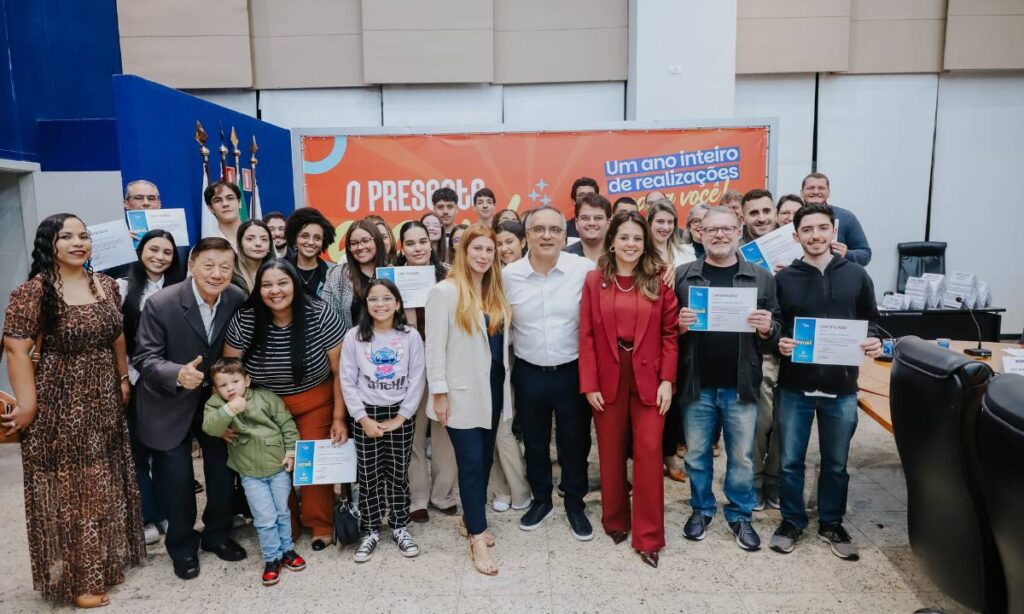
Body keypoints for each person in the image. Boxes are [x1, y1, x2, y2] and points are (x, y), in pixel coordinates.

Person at [3, 213, 145, 607]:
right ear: (50, 244)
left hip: (104, 398)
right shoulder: (33, 292)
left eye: (83, 236)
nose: (78, 242)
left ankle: (100, 565)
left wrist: (121, 378)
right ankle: (81, 581)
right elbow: (16, 349)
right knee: (74, 491)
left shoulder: (105, 285)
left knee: (101, 485)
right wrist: (28, 405)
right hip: (60, 403)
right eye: (67, 236)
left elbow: (117, 334)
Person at [133, 237, 248, 581]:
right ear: (192, 264)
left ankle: (217, 535)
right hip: (167, 402)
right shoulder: (161, 303)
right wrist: (177, 373)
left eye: (225, 267)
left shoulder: (236, 299)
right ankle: (182, 547)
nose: (217, 273)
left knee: (222, 469)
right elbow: (146, 357)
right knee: (177, 478)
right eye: (209, 265)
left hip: (213, 402)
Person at [770, 203, 882, 559]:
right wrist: (778, 341)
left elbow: (872, 322)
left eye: (822, 228)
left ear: (833, 232)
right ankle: (791, 520)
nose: (815, 236)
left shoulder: (857, 276)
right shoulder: (784, 279)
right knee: (790, 461)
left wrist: (875, 339)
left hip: (842, 388)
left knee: (836, 462)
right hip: (795, 386)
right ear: (795, 235)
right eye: (807, 230)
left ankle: (831, 522)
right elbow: (774, 327)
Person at [674, 206, 782, 553]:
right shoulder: (682, 275)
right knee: (697, 456)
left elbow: (777, 329)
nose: (719, 235)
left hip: (741, 384)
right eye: (711, 229)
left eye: (727, 229)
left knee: (742, 458)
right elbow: (664, 330)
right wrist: (677, 326)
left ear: (739, 232)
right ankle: (702, 509)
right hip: (696, 383)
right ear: (698, 234)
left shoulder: (762, 277)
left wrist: (768, 328)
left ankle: (739, 514)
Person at [223, 259, 348, 551]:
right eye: (267, 285)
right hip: (264, 408)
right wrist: (229, 416)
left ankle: (320, 523)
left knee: (311, 460)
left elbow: (341, 370)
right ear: (258, 289)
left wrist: (339, 417)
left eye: (282, 283)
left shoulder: (319, 313)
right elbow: (229, 371)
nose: (275, 291)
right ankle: (286, 524)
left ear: (295, 284)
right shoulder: (246, 318)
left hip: (316, 400)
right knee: (273, 466)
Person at [578, 211, 678, 568]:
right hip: (608, 377)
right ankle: (615, 520)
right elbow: (586, 334)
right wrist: (588, 383)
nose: (631, 244)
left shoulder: (658, 279)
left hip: (650, 377)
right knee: (609, 450)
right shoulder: (594, 281)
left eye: (638, 238)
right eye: (624, 237)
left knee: (649, 451)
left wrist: (668, 379)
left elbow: (670, 334)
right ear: (612, 240)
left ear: (645, 242)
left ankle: (649, 536)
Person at [503, 206, 596, 540]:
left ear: (564, 235)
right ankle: (541, 499)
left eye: (554, 230)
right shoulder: (508, 275)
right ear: (526, 235)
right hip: (528, 372)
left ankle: (575, 502)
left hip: (571, 372)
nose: (546, 236)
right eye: (538, 229)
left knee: (575, 442)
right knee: (536, 442)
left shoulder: (584, 269)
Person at [425, 224, 513, 576]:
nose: (483, 256)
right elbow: (434, 348)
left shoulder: (494, 291)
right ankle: (477, 535)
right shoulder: (444, 292)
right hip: (460, 394)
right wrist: (440, 393)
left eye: (489, 251)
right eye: (477, 249)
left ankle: (468, 518)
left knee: (484, 460)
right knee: (472, 462)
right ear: (463, 252)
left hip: (493, 389)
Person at [341, 279, 426, 561]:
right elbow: (348, 381)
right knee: (368, 476)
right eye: (374, 299)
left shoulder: (410, 336)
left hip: (399, 413)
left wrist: (401, 417)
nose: (381, 304)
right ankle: (371, 529)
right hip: (366, 414)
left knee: (398, 473)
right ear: (366, 305)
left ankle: (400, 526)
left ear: (398, 303)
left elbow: (417, 379)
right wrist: (362, 418)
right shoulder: (355, 337)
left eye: (387, 298)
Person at [202, 358, 306, 587]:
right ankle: (272, 558)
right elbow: (210, 427)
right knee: (264, 518)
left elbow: (287, 425)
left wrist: (291, 453)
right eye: (223, 385)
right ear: (215, 388)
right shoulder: (216, 404)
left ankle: (287, 550)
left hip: (277, 467)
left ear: (247, 381)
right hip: (250, 473)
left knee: (282, 512)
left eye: (235, 381)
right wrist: (228, 410)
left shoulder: (266, 398)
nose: (230, 388)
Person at [117, 229, 185, 545]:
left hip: (169, 383)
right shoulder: (121, 289)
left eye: (167, 252)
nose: (159, 257)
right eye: (152, 249)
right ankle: (147, 517)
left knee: (166, 454)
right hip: (134, 380)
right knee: (136, 452)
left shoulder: (181, 289)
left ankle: (167, 514)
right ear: (140, 251)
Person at [397, 222, 459, 521]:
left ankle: (443, 494)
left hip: (445, 363)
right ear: (402, 248)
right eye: (411, 243)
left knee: (444, 431)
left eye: (423, 241)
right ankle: (418, 498)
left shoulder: (448, 274)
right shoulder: (391, 279)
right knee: (413, 435)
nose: (418, 248)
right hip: (408, 369)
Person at [323, 219, 387, 337]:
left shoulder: (390, 272)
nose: (360, 247)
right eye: (354, 243)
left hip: (388, 348)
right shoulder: (336, 275)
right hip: (350, 348)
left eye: (365, 241)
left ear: (377, 241)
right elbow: (328, 320)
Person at [800, 172, 872, 265]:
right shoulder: (791, 217)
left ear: (828, 193)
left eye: (821, 188)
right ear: (801, 192)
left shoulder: (846, 217)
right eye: (810, 188)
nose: (816, 192)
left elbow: (866, 255)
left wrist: (847, 254)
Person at [285, 207, 335, 298]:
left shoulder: (334, 272)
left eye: (317, 238)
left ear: (323, 241)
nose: (311, 242)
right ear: (295, 239)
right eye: (305, 236)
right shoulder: (281, 269)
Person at [647, 199, 696, 268]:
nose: (666, 228)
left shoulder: (688, 252)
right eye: (660, 221)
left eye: (670, 222)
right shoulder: (639, 255)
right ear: (649, 223)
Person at [564, 192, 611, 263]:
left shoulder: (620, 255)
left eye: (598, 218)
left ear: (608, 223)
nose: (592, 223)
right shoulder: (563, 258)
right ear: (576, 223)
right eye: (585, 218)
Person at [233, 219, 276, 294]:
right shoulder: (231, 276)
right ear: (240, 244)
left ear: (270, 246)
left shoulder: (279, 273)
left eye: (264, 239)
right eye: (250, 239)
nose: (258, 244)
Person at [204, 181, 244, 250]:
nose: (225, 204)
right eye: (217, 200)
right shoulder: (205, 247)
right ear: (210, 208)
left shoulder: (260, 239)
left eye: (230, 198)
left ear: (239, 202)